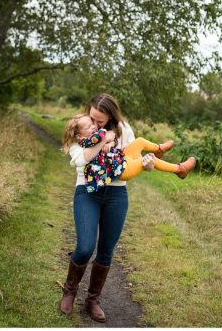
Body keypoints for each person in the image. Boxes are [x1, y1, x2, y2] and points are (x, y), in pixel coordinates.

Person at [57, 93, 154, 322]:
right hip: (88, 191)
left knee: (106, 249)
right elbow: (82, 159)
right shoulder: (79, 129)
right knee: (84, 246)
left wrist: (146, 165)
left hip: (116, 193)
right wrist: (102, 136)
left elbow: (131, 160)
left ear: (111, 115)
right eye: (93, 118)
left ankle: (93, 299)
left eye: (100, 121)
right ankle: (70, 290)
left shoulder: (123, 130)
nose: (96, 123)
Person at [62, 114, 196, 193]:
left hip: (120, 160)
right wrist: (105, 138)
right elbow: (101, 138)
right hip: (122, 170)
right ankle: (179, 169)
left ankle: (159, 148)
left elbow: (109, 140)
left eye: (92, 124)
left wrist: (110, 143)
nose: (94, 127)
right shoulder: (85, 142)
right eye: (89, 126)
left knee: (140, 141)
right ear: (79, 136)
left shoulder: (95, 136)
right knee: (148, 159)